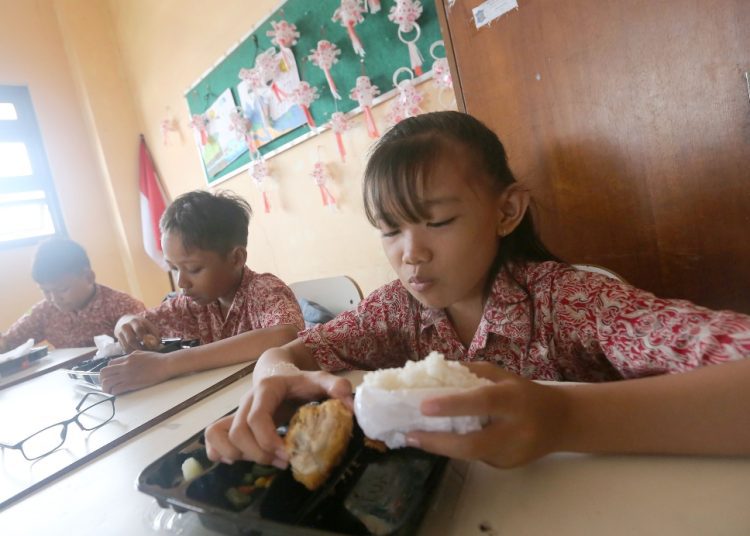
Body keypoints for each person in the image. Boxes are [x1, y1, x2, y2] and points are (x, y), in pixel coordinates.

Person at [203, 111, 750, 470]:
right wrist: (274, 379)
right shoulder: (397, 308)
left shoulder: (570, 302)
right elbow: (290, 352)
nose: (410, 254)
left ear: (506, 211)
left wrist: (565, 418)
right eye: (389, 230)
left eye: (438, 222)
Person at [100, 190, 303, 395]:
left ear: (236, 259)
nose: (181, 282)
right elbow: (139, 321)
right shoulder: (192, 304)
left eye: (194, 269)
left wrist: (167, 364)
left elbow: (286, 335)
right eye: (174, 268)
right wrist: (126, 323)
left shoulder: (264, 290)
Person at [0, 238, 145, 352]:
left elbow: (147, 346)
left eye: (63, 289)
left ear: (88, 277)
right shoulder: (43, 311)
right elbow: (8, 341)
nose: (54, 299)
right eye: (45, 291)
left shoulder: (122, 305)